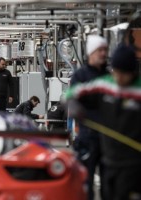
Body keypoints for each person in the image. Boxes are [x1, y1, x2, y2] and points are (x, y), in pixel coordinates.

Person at [66, 44, 141, 200]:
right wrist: (72, 103)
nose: (118, 78)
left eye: (123, 73)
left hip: (134, 164)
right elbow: (72, 92)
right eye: (116, 72)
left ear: (132, 71)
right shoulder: (105, 84)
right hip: (108, 159)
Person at [70, 35, 108, 200]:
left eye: (105, 50)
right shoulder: (80, 76)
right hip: (87, 135)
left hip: (108, 138)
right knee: (86, 179)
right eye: (100, 50)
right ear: (91, 53)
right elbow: (71, 103)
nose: (103, 54)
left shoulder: (109, 76)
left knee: (109, 181)